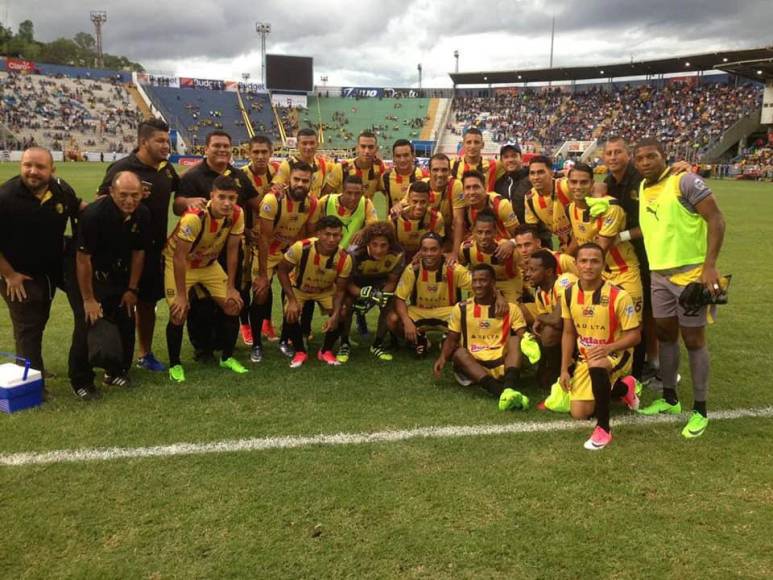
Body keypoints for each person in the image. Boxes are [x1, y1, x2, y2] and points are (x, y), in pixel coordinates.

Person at [634, 138, 726, 439]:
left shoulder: (684, 180)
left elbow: (716, 219)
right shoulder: (645, 187)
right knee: (664, 334)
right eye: (641, 158)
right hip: (659, 275)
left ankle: (700, 410)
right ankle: (670, 398)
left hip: (691, 274)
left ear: (664, 157)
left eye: (651, 156)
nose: (646, 162)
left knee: (694, 339)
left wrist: (709, 265)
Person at [97, 118, 179, 373]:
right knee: (121, 303)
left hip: (155, 251)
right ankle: (115, 356)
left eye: (168, 141)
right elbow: (100, 202)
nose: (166, 146)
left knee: (147, 304)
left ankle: (145, 354)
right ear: (143, 142)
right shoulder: (123, 168)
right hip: (124, 252)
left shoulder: (166, 169)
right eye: (160, 141)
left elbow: (179, 194)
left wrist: (190, 201)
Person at [175, 130, 259, 362]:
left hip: (230, 247)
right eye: (217, 146)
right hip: (199, 254)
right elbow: (176, 205)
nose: (222, 150)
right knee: (201, 302)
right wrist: (188, 201)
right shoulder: (193, 176)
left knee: (232, 295)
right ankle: (203, 348)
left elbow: (255, 202)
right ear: (206, 149)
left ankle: (224, 342)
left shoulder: (238, 176)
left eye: (226, 146)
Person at [0, 147, 82, 376]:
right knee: (28, 325)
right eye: (28, 165)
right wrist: (9, 275)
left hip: (51, 269)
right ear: (20, 166)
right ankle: (32, 380)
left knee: (40, 318)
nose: (33, 171)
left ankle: (32, 368)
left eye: (40, 167)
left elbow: (80, 209)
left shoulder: (61, 190)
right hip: (18, 274)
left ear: (52, 169)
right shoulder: (5, 197)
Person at [68, 172, 150, 400]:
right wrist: (89, 299)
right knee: (89, 321)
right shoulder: (94, 215)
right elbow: (83, 259)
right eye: (123, 195)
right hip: (85, 273)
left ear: (142, 194)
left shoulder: (142, 214)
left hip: (117, 274)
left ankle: (115, 371)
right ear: (111, 192)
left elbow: (138, 252)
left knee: (124, 317)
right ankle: (81, 380)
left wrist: (132, 289)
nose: (129, 200)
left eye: (135, 195)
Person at [163, 175, 248, 383]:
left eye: (232, 198)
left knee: (233, 305)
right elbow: (179, 257)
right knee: (178, 311)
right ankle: (174, 364)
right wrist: (183, 296)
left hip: (208, 265)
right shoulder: (194, 217)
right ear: (212, 196)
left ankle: (227, 358)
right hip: (180, 264)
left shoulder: (237, 214)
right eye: (222, 197)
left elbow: (232, 251)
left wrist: (231, 287)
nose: (227, 203)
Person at [559, 243, 641, 450]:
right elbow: (568, 333)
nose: (588, 266)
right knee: (579, 413)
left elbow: (635, 336)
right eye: (583, 261)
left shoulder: (618, 295)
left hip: (616, 352)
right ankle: (624, 387)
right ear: (576, 264)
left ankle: (604, 429)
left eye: (595, 261)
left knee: (597, 364)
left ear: (603, 264)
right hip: (587, 355)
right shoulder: (568, 294)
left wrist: (608, 347)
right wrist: (563, 369)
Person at [249, 161, 320, 363]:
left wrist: (303, 265)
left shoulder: (313, 204)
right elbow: (263, 238)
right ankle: (256, 344)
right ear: (289, 179)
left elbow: (310, 236)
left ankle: (285, 340)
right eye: (296, 179)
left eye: (304, 181)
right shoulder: (273, 199)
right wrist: (263, 275)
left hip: (292, 253)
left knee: (293, 298)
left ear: (310, 182)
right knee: (261, 293)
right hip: (268, 253)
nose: (300, 184)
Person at [433, 263, 529, 411]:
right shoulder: (462, 308)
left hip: (501, 364)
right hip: (473, 366)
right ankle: (500, 391)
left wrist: (532, 343)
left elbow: (523, 335)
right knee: (459, 353)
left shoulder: (511, 308)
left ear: (493, 283)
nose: (477, 285)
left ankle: (508, 388)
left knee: (516, 340)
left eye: (483, 280)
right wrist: (442, 358)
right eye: (475, 281)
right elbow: (452, 338)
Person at [564, 163, 644, 329]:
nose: (578, 187)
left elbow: (600, 250)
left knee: (632, 326)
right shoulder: (571, 208)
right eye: (573, 182)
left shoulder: (610, 207)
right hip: (597, 272)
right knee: (600, 325)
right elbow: (578, 239)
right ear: (568, 183)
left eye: (584, 182)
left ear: (592, 184)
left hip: (623, 272)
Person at [276, 216, 353, 369]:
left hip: (325, 290)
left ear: (341, 236)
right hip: (300, 289)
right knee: (290, 312)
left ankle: (325, 351)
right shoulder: (301, 247)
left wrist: (336, 314)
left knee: (342, 312)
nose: (331, 239)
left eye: (336, 235)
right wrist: (291, 300)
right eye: (327, 234)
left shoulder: (345, 258)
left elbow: (340, 290)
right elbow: (282, 271)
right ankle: (300, 351)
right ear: (318, 234)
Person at [388, 233, 471, 357]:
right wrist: (406, 321)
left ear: (441, 250)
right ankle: (420, 340)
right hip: (420, 311)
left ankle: (448, 339)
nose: (429, 254)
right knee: (392, 319)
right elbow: (399, 298)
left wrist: (469, 304)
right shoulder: (413, 269)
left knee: (470, 318)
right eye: (425, 250)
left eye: (433, 249)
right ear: (420, 251)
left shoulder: (453, 268)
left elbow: (479, 286)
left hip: (448, 312)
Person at [338, 222, 405, 362]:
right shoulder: (353, 254)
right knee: (346, 306)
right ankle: (344, 343)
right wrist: (363, 294)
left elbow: (392, 282)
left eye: (383, 245)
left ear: (390, 244)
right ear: (367, 243)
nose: (379, 250)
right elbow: (346, 282)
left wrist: (379, 295)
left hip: (379, 283)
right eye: (374, 244)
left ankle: (377, 344)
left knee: (388, 301)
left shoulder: (398, 254)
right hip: (356, 284)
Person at [239, 134, 280, 345]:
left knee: (268, 282)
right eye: (256, 152)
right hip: (246, 239)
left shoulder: (277, 173)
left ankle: (267, 321)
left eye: (264, 152)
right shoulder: (241, 175)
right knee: (246, 285)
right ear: (248, 153)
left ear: (271, 153)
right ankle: (245, 325)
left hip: (269, 239)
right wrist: (245, 230)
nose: (260, 156)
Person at [525, 249, 577, 395]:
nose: (527, 274)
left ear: (548, 272)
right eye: (527, 269)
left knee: (548, 333)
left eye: (533, 270)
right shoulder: (540, 293)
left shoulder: (565, 281)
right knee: (537, 334)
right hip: (569, 335)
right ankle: (552, 368)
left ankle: (561, 371)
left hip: (588, 335)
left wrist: (540, 318)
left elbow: (556, 321)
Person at [450, 170, 519, 264]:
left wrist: (511, 243)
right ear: (463, 191)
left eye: (476, 187)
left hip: (504, 252)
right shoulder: (464, 205)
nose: (472, 192)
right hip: (482, 250)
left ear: (485, 188)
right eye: (468, 188)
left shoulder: (501, 205)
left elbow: (519, 234)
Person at [458, 211, 522, 304]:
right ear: (473, 232)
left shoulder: (508, 250)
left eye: (488, 232)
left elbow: (525, 265)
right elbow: (459, 268)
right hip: (481, 283)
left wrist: (512, 242)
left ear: (495, 232)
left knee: (512, 310)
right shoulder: (465, 249)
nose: (483, 237)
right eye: (479, 232)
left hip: (507, 282)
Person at [318, 174, 379, 248]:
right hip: (327, 249)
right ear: (342, 191)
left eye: (357, 193)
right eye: (349, 193)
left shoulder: (366, 203)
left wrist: (364, 231)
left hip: (350, 254)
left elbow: (375, 226)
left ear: (362, 193)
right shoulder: (325, 201)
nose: (353, 198)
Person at [390, 181, 445, 262]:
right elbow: (390, 247)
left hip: (425, 257)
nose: (419, 206)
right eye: (415, 201)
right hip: (400, 257)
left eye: (423, 202)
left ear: (429, 201)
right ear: (408, 200)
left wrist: (423, 254)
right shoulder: (395, 219)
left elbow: (438, 246)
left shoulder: (436, 218)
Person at [524, 155, 572, 248]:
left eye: (541, 172)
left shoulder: (564, 186)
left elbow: (591, 187)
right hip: (565, 244)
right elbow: (531, 229)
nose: (536, 177)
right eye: (532, 173)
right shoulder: (530, 198)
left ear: (552, 173)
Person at [325, 131, 385, 198]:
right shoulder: (342, 168)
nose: (367, 151)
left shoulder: (379, 168)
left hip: (365, 208)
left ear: (376, 149)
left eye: (371, 147)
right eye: (363, 146)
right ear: (357, 148)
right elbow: (325, 195)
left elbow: (387, 190)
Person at [273, 128, 331, 198]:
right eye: (304, 143)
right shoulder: (287, 165)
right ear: (297, 145)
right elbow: (276, 189)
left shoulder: (323, 164)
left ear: (317, 145)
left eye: (312, 143)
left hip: (314, 207)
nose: (308, 147)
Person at [381, 139, 426, 210]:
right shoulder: (385, 178)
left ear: (413, 156)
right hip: (393, 220)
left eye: (406, 155)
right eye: (398, 156)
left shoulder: (423, 176)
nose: (402, 160)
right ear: (393, 158)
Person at [493, 143, 531, 223]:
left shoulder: (532, 178)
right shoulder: (498, 184)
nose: (510, 160)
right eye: (506, 157)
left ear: (521, 158)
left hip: (531, 232)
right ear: (501, 161)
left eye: (514, 156)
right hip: (507, 232)